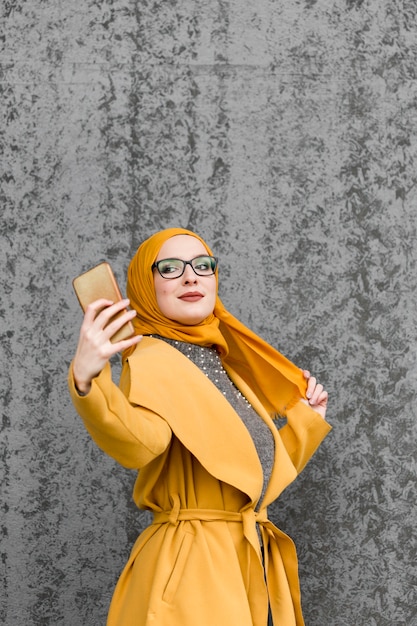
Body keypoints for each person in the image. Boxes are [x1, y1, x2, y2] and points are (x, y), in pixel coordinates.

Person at [68, 227, 331, 626]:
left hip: (243, 563)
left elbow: (248, 478)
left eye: (202, 265)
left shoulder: (219, 363)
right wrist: (89, 380)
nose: (191, 277)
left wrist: (307, 420)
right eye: (170, 268)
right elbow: (139, 444)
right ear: (146, 284)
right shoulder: (152, 358)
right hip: (191, 570)